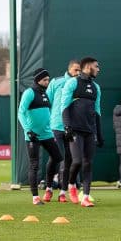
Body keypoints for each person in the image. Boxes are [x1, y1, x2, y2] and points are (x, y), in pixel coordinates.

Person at [61, 56, 104, 207]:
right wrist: (67, 127)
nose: (99, 69)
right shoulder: (72, 83)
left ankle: (85, 197)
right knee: (77, 161)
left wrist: (99, 133)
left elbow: (97, 111)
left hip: (90, 131)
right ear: (87, 67)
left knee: (88, 163)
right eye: (96, 66)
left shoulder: (96, 88)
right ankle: (71, 185)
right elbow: (64, 107)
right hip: (75, 130)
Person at [17, 68, 63, 205]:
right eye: (45, 80)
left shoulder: (45, 94)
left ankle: (48, 186)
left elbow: (46, 113)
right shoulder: (29, 93)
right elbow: (21, 112)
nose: (47, 82)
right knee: (34, 165)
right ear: (38, 80)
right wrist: (28, 130)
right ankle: (35, 197)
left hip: (47, 134)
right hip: (33, 135)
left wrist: (50, 129)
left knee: (58, 157)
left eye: (48, 80)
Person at [45, 60, 80, 202]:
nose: (77, 73)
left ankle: (62, 192)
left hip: (73, 128)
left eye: (79, 70)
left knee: (68, 160)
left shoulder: (80, 85)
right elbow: (47, 102)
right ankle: (48, 188)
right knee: (56, 158)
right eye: (75, 70)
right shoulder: (57, 82)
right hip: (56, 126)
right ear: (69, 69)